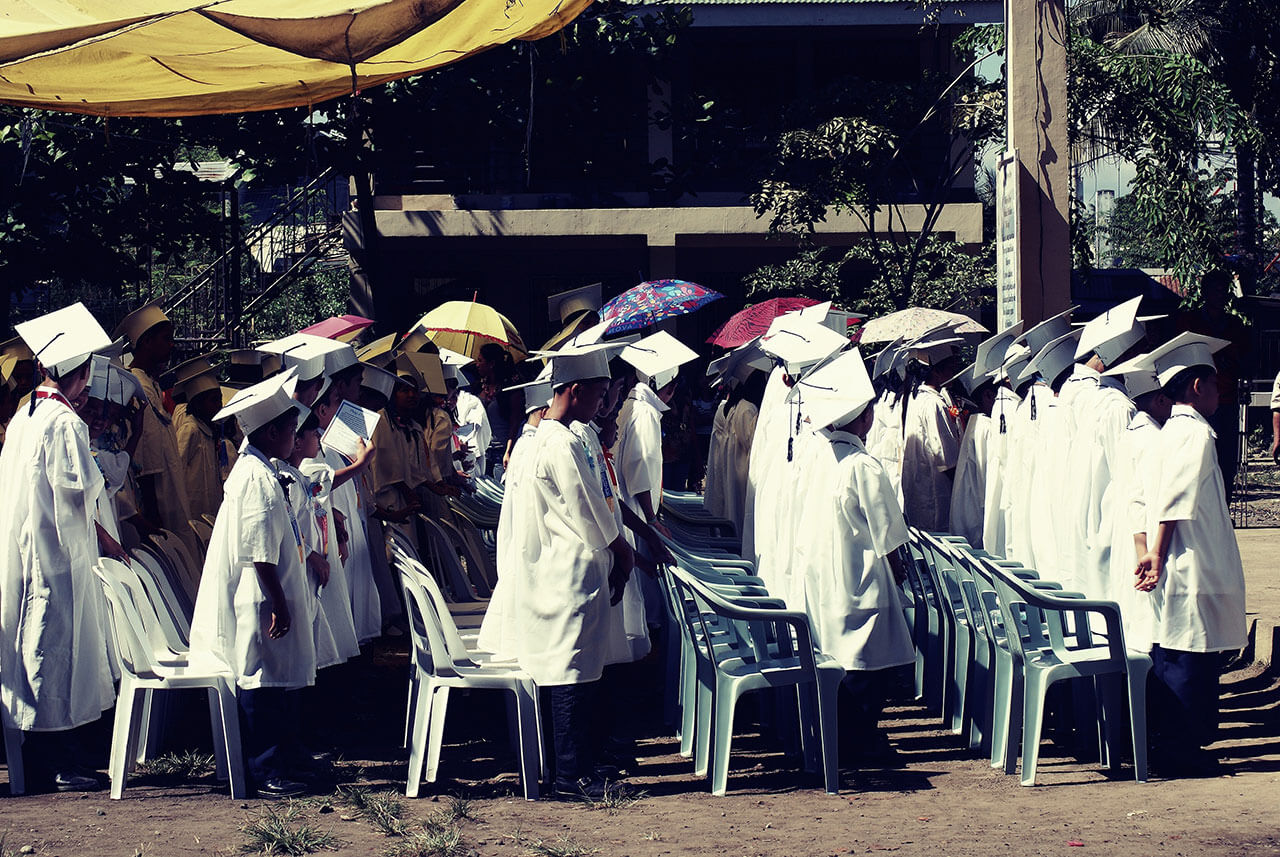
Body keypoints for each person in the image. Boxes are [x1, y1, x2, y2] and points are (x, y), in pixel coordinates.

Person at [500, 342, 635, 799]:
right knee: (570, 671)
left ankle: (575, 768)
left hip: (571, 569)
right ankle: (568, 775)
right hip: (569, 571)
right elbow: (587, 505)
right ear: (573, 391)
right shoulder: (557, 443)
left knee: (576, 668)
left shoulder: (562, 437)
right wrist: (621, 548)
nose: (603, 404)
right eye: (598, 395)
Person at [0, 303, 121, 792]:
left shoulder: (26, 415)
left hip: (29, 553)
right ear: (81, 372)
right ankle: (58, 759)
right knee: (57, 652)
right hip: (58, 558)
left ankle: (48, 756)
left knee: (37, 648)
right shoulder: (65, 422)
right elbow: (79, 493)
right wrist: (107, 540)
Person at [188, 370, 318, 798]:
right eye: (290, 430)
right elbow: (260, 551)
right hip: (260, 598)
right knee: (262, 678)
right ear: (273, 432)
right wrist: (278, 601)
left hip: (270, 593)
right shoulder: (256, 477)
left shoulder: (262, 469)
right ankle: (265, 768)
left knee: (279, 678)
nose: (295, 437)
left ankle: (288, 755)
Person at [787, 349, 915, 758]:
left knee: (836, 660)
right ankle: (860, 744)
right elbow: (890, 535)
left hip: (820, 573)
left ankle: (842, 741)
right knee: (865, 663)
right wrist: (900, 575)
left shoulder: (817, 456)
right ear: (862, 417)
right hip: (859, 577)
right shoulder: (863, 464)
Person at [1135, 332, 1246, 776]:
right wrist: (1158, 555)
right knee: (1189, 654)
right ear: (1197, 387)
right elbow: (1176, 499)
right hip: (1188, 561)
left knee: (1176, 649)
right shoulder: (1194, 433)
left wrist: (1148, 550)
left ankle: (1174, 746)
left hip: (1176, 558)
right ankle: (1181, 750)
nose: (1221, 393)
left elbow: (1145, 497)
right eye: (1216, 384)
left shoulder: (1167, 433)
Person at [114, 302, 200, 560]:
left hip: (170, 497)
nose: (172, 345)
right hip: (157, 507)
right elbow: (147, 464)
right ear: (147, 342)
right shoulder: (137, 387)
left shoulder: (151, 383)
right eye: (166, 339)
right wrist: (152, 520)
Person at [1099, 361, 1169, 653]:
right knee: (1148, 624)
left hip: (1127, 530)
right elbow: (1147, 497)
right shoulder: (1153, 438)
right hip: (1143, 536)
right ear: (1160, 400)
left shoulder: (1132, 433)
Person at [1177, 269, 1250, 502]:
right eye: (1215, 290)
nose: (1220, 295)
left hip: (1225, 399)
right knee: (1195, 458)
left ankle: (1223, 508)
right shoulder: (1190, 321)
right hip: (1195, 400)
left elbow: (1246, 359)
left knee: (1225, 461)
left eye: (1224, 290)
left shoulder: (1235, 324)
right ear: (1205, 292)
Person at [947, 324, 1020, 549]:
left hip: (973, 512)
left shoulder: (977, 423)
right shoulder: (984, 426)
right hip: (977, 515)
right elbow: (986, 479)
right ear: (988, 395)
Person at [900, 329, 964, 532]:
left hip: (920, 489)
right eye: (950, 368)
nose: (954, 373)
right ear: (936, 371)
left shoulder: (917, 397)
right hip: (935, 494)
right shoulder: (933, 404)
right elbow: (946, 458)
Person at [175, 368, 236, 523]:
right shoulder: (190, 429)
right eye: (213, 400)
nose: (219, 405)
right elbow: (177, 468)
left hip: (210, 501)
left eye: (220, 399)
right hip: (193, 503)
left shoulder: (209, 431)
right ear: (198, 403)